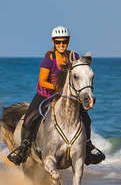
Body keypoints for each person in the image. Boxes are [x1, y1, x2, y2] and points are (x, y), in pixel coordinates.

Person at [7, 26, 106, 166]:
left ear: (68, 41)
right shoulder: (49, 58)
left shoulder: (74, 56)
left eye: (64, 42)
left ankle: (88, 148)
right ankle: (24, 148)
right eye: (58, 42)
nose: (61, 45)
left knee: (86, 119)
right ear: (53, 42)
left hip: (68, 97)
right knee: (29, 119)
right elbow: (42, 81)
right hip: (45, 94)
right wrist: (58, 88)